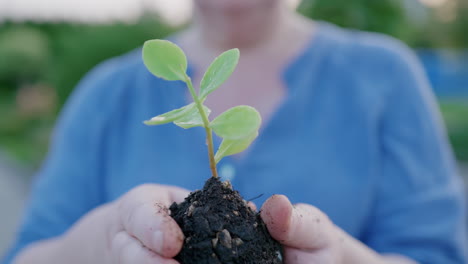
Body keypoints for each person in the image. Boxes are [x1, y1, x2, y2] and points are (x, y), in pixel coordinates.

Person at [4, 0, 467, 263]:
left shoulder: (384, 77)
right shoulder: (108, 94)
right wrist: (101, 239)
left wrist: (346, 258)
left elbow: (436, 254)